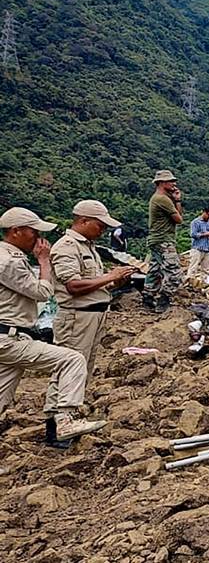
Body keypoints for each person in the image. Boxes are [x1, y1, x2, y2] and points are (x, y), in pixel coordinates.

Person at [0, 207, 107, 445]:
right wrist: (43, 262)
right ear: (16, 231)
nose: (39, 238)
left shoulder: (9, 257)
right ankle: (65, 419)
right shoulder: (9, 262)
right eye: (34, 232)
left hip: (12, 336)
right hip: (10, 338)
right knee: (72, 359)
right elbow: (42, 292)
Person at [50, 201, 134, 410]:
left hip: (93, 315)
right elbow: (73, 286)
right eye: (100, 225)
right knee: (69, 368)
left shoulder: (89, 247)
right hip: (77, 318)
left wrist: (116, 282)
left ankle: (72, 411)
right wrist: (110, 276)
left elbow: (94, 284)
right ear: (83, 221)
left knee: (84, 367)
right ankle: (58, 418)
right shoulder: (67, 246)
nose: (103, 230)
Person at [144, 170, 183, 313]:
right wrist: (177, 200)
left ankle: (148, 298)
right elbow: (179, 219)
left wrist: (176, 200)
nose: (174, 183)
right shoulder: (162, 199)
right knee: (174, 272)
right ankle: (163, 301)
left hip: (157, 239)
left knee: (155, 270)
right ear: (161, 183)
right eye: (170, 181)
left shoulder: (160, 198)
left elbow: (178, 216)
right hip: (163, 240)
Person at [186, 207, 209, 284]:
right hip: (197, 248)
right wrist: (206, 234)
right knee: (193, 267)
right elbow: (193, 234)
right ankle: (190, 283)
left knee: (205, 269)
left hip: (208, 248)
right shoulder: (195, 222)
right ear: (204, 212)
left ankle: (203, 283)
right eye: (208, 215)